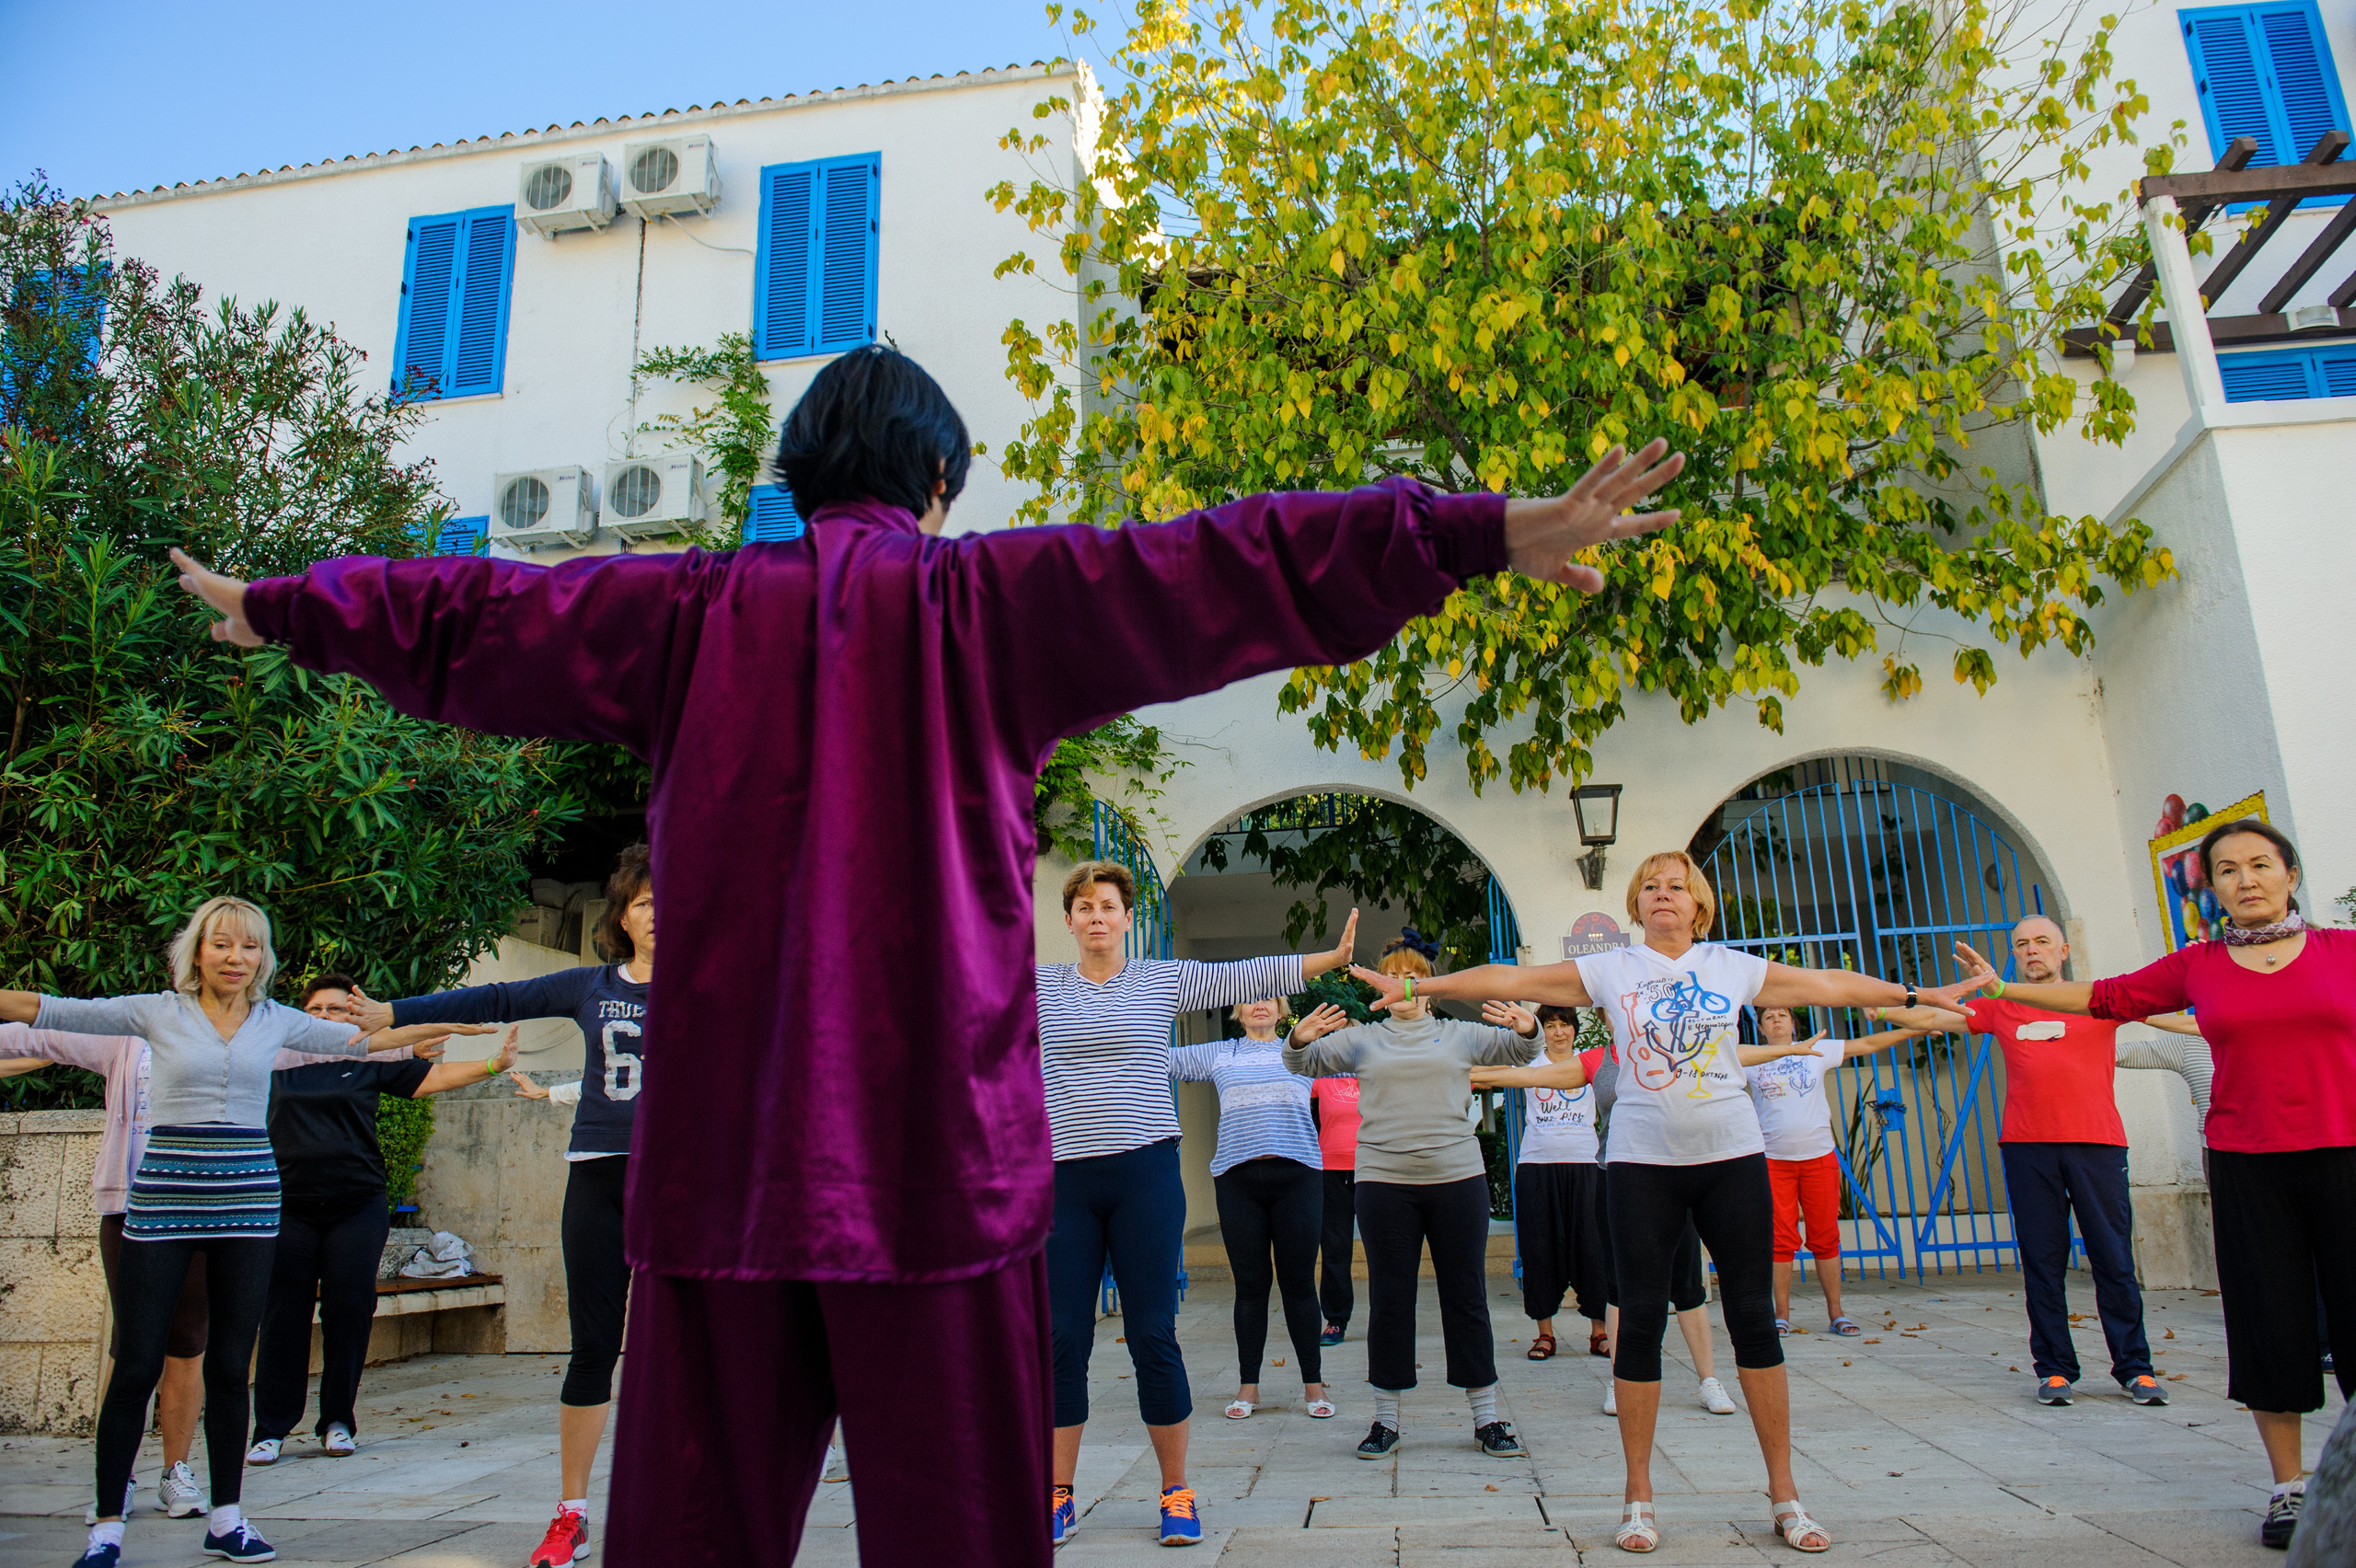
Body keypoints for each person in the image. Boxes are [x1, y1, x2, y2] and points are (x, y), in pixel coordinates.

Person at [170, 343, 1687, 1568]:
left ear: (791, 477)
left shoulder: (682, 613)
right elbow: (1227, 568)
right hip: (936, 1175)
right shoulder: (991, 603)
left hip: (720, 1176)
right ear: (942, 484)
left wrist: (295, 609)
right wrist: (1477, 531)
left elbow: (483, 611)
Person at [1356, 850, 1987, 1555]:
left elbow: (1828, 984)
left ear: (1698, 905)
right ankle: (1638, 1498)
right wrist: (1419, 984)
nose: (1663, 895)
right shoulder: (1612, 969)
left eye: (1676, 886)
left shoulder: (1731, 967)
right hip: (1640, 1164)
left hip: (1732, 1159)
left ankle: (1785, 1496)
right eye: (1650, 887)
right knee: (1639, 1323)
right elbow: (1509, 978)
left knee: (1754, 1321)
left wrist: (1917, 994)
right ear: (1636, 906)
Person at [0, 896, 478, 1568]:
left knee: (229, 1366)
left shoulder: (276, 1022)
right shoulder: (154, 1013)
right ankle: (106, 1530)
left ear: (264, 957)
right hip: (163, 1201)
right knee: (136, 1362)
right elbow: (48, 1010)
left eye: (250, 946)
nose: (236, 957)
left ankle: (227, 1520)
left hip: (249, 1206)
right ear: (196, 952)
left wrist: (465, 1016)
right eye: (222, 944)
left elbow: (366, 1041)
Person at [1934, 821, 2355, 1551]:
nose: (2246, 879)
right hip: (2248, 1161)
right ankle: (2288, 1487)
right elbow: (2105, 997)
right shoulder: (2199, 965)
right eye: (2227, 869)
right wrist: (2002, 989)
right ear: (2211, 887)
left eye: (2260, 864)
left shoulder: (2343, 953)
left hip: (2345, 1153)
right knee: (2270, 1322)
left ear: (2290, 874)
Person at [347, 843, 654, 1568]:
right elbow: (495, 1000)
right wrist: (395, 1011)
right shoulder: (588, 986)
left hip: (683, 1189)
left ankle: (683, 1508)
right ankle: (571, 1513)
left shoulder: (717, 985)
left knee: (687, 1353)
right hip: (600, 1180)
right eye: (645, 901)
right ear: (621, 916)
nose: (659, 913)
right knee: (593, 1349)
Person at [1039, 863, 1355, 1549]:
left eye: (1108, 906)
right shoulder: (1041, 988)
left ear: (1127, 919)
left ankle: (1175, 1492)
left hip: (1146, 1174)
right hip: (1065, 1179)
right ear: (1069, 922)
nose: (1097, 917)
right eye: (1085, 908)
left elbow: (1244, 976)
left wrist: (1326, 961)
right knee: (1063, 1337)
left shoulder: (1160, 980)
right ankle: (1058, 1494)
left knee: (1153, 1332)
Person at [1882, 917, 2171, 1411]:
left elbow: (2169, 1013)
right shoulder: (2000, 1005)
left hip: (2098, 1145)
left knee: (2114, 1260)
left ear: (2063, 951)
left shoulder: (2096, 1000)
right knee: (2042, 1261)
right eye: (2022, 944)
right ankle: (2055, 1370)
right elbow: (1932, 1019)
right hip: (2027, 1148)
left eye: (2041, 942)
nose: (2032, 950)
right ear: (2014, 955)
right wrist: (1884, 1005)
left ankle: (2135, 1368)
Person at [1282, 933, 1542, 1463]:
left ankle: (1486, 1418)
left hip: (1457, 1180)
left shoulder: (1459, 1035)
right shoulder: (1363, 1040)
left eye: (1411, 977)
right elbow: (1302, 1063)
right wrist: (1298, 1038)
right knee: (1390, 1299)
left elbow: (1522, 1051)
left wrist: (1527, 1026)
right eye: (1392, 975)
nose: (1401, 985)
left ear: (1428, 987)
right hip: (1384, 1185)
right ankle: (1386, 1420)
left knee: (1466, 1297)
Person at [246, 976, 518, 1466]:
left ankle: (337, 1422)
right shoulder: (278, 1060)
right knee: (283, 1313)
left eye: (336, 1009)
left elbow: (433, 1079)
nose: (326, 1016)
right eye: (316, 1009)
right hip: (288, 1206)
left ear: (353, 1019)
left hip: (356, 1205)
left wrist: (494, 1065)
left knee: (349, 1309)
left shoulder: (369, 1058)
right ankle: (270, 1429)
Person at [1170, 995, 1334, 1424]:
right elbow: (1158, 1060)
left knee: (1300, 1284)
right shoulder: (1220, 1053)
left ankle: (1313, 1385)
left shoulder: (1304, 1050)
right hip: (1237, 1180)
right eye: (1249, 1000)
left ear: (1281, 1010)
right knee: (1249, 1287)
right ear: (1237, 1012)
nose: (1259, 1005)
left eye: (1269, 999)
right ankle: (1248, 1386)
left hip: (1298, 1177)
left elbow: (1366, 1059)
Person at [1743, 1006, 1931, 1337]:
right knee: (1780, 1241)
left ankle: (1836, 1313)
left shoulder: (1818, 1049)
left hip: (1819, 1158)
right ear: (1760, 1028)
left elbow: (1867, 1044)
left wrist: (1915, 1030)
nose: (1775, 1020)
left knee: (1826, 1237)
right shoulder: (1751, 1059)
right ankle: (1781, 1315)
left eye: (1782, 1015)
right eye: (1768, 1017)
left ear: (1793, 1024)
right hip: (1773, 1162)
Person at [1510, 1004, 1611, 1362]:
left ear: (1574, 1029)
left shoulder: (1592, 1063)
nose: (1558, 1032)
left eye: (1564, 1025)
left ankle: (1600, 1332)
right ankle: (1545, 1334)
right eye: (1550, 1025)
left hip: (1587, 1165)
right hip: (1537, 1166)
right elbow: (1490, 1072)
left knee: (1593, 1249)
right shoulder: (1529, 1063)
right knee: (1540, 1250)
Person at [1311, 1069, 1361, 1345]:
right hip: (1331, 1171)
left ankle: (1391, 1320)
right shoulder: (1322, 1079)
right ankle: (1335, 1321)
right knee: (1334, 1248)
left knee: (1386, 1248)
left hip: (1374, 1168)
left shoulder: (1376, 1071)